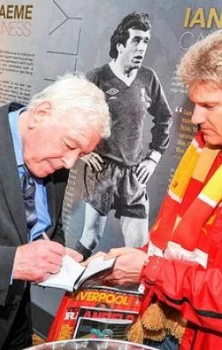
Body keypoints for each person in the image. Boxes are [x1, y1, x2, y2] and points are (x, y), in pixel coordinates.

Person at [98, 26, 222, 349]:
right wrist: (123, 262)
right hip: (171, 323)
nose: (195, 119)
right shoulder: (205, 151)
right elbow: (171, 243)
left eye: (209, 105)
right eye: (194, 105)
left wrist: (151, 271)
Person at [0, 73, 110, 350]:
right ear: (41, 113)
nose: (69, 162)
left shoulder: (52, 161)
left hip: (15, 321)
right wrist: (11, 264)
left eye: (81, 154)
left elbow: (47, 226)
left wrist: (55, 253)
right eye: (69, 145)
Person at [75, 12, 172, 259]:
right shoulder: (97, 77)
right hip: (101, 171)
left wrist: (154, 157)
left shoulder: (147, 78)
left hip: (132, 172)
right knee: (91, 237)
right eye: (136, 40)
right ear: (120, 45)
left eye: (146, 41)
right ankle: (70, 288)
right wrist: (82, 151)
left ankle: (133, 296)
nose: (141, 48)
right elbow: (72, 117)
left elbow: (164, 118)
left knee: (138, 246)